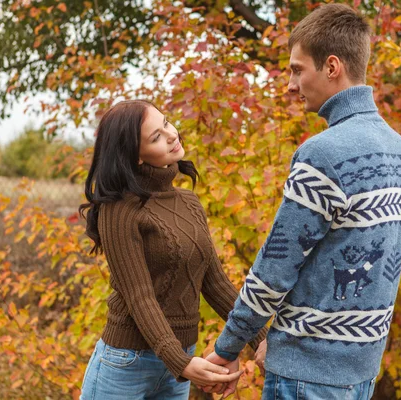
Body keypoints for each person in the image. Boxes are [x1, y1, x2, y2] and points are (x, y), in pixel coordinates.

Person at [205, 4, 401, 399]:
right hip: (361, 373)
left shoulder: (322, 154)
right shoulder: (400, 150)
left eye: (297, 69)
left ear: (332, 66)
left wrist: (228, 347)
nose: (290, 83)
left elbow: (276, 267)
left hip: (309, 378)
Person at [78, 100, 267, 400]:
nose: (171, 134)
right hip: (128, 363)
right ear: (135, 157)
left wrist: (258, 338)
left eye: (166, 123)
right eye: (155, 137)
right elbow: (139, 297)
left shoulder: (189, 202)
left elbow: (215, 283)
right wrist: (181, 363)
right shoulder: (119, 209)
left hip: (179, 361)